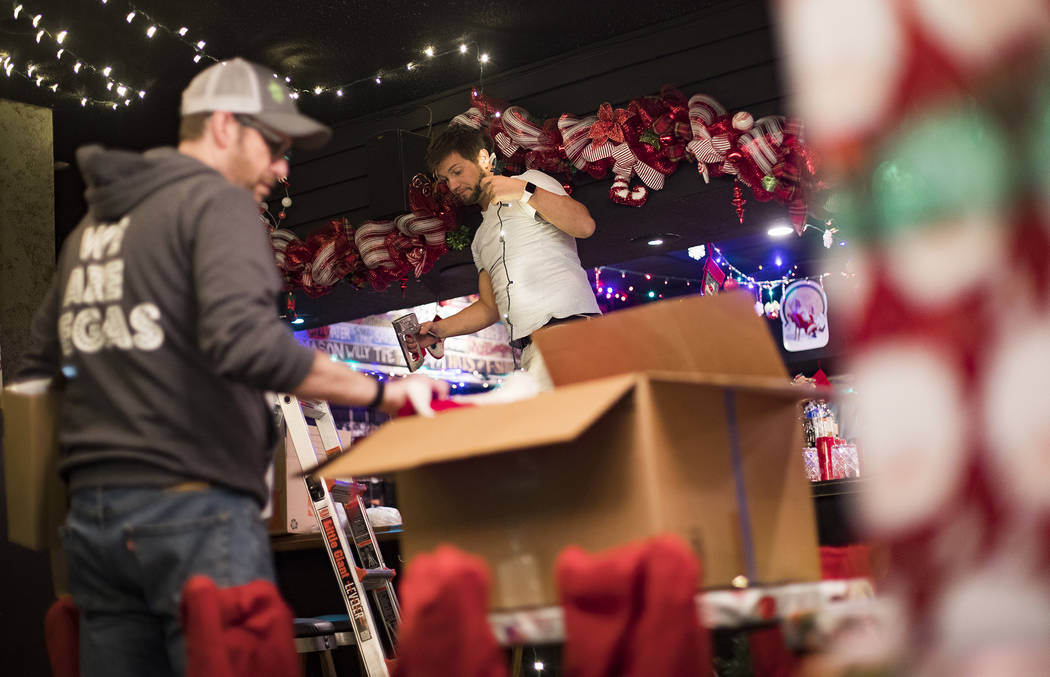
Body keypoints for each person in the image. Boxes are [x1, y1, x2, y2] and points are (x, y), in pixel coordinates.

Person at [13, 57, 447, 677]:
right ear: (221, 127)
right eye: (271, 145)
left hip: (95, 525)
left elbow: (35, 370)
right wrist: (387, 397)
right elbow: (250, 347)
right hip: (193, 514)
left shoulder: (94, 229)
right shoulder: (216, 206)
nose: (280, 167)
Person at [408, 124, 600, 389]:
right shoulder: (480, 239)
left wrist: (524, 190)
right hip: (532, 353)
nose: (452, 185)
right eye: (445, 179)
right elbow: (490, 307)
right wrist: (439, 331)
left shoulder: (531, 181)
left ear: (483, 159)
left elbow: (584, 225)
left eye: (457, 171)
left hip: (570, 334)